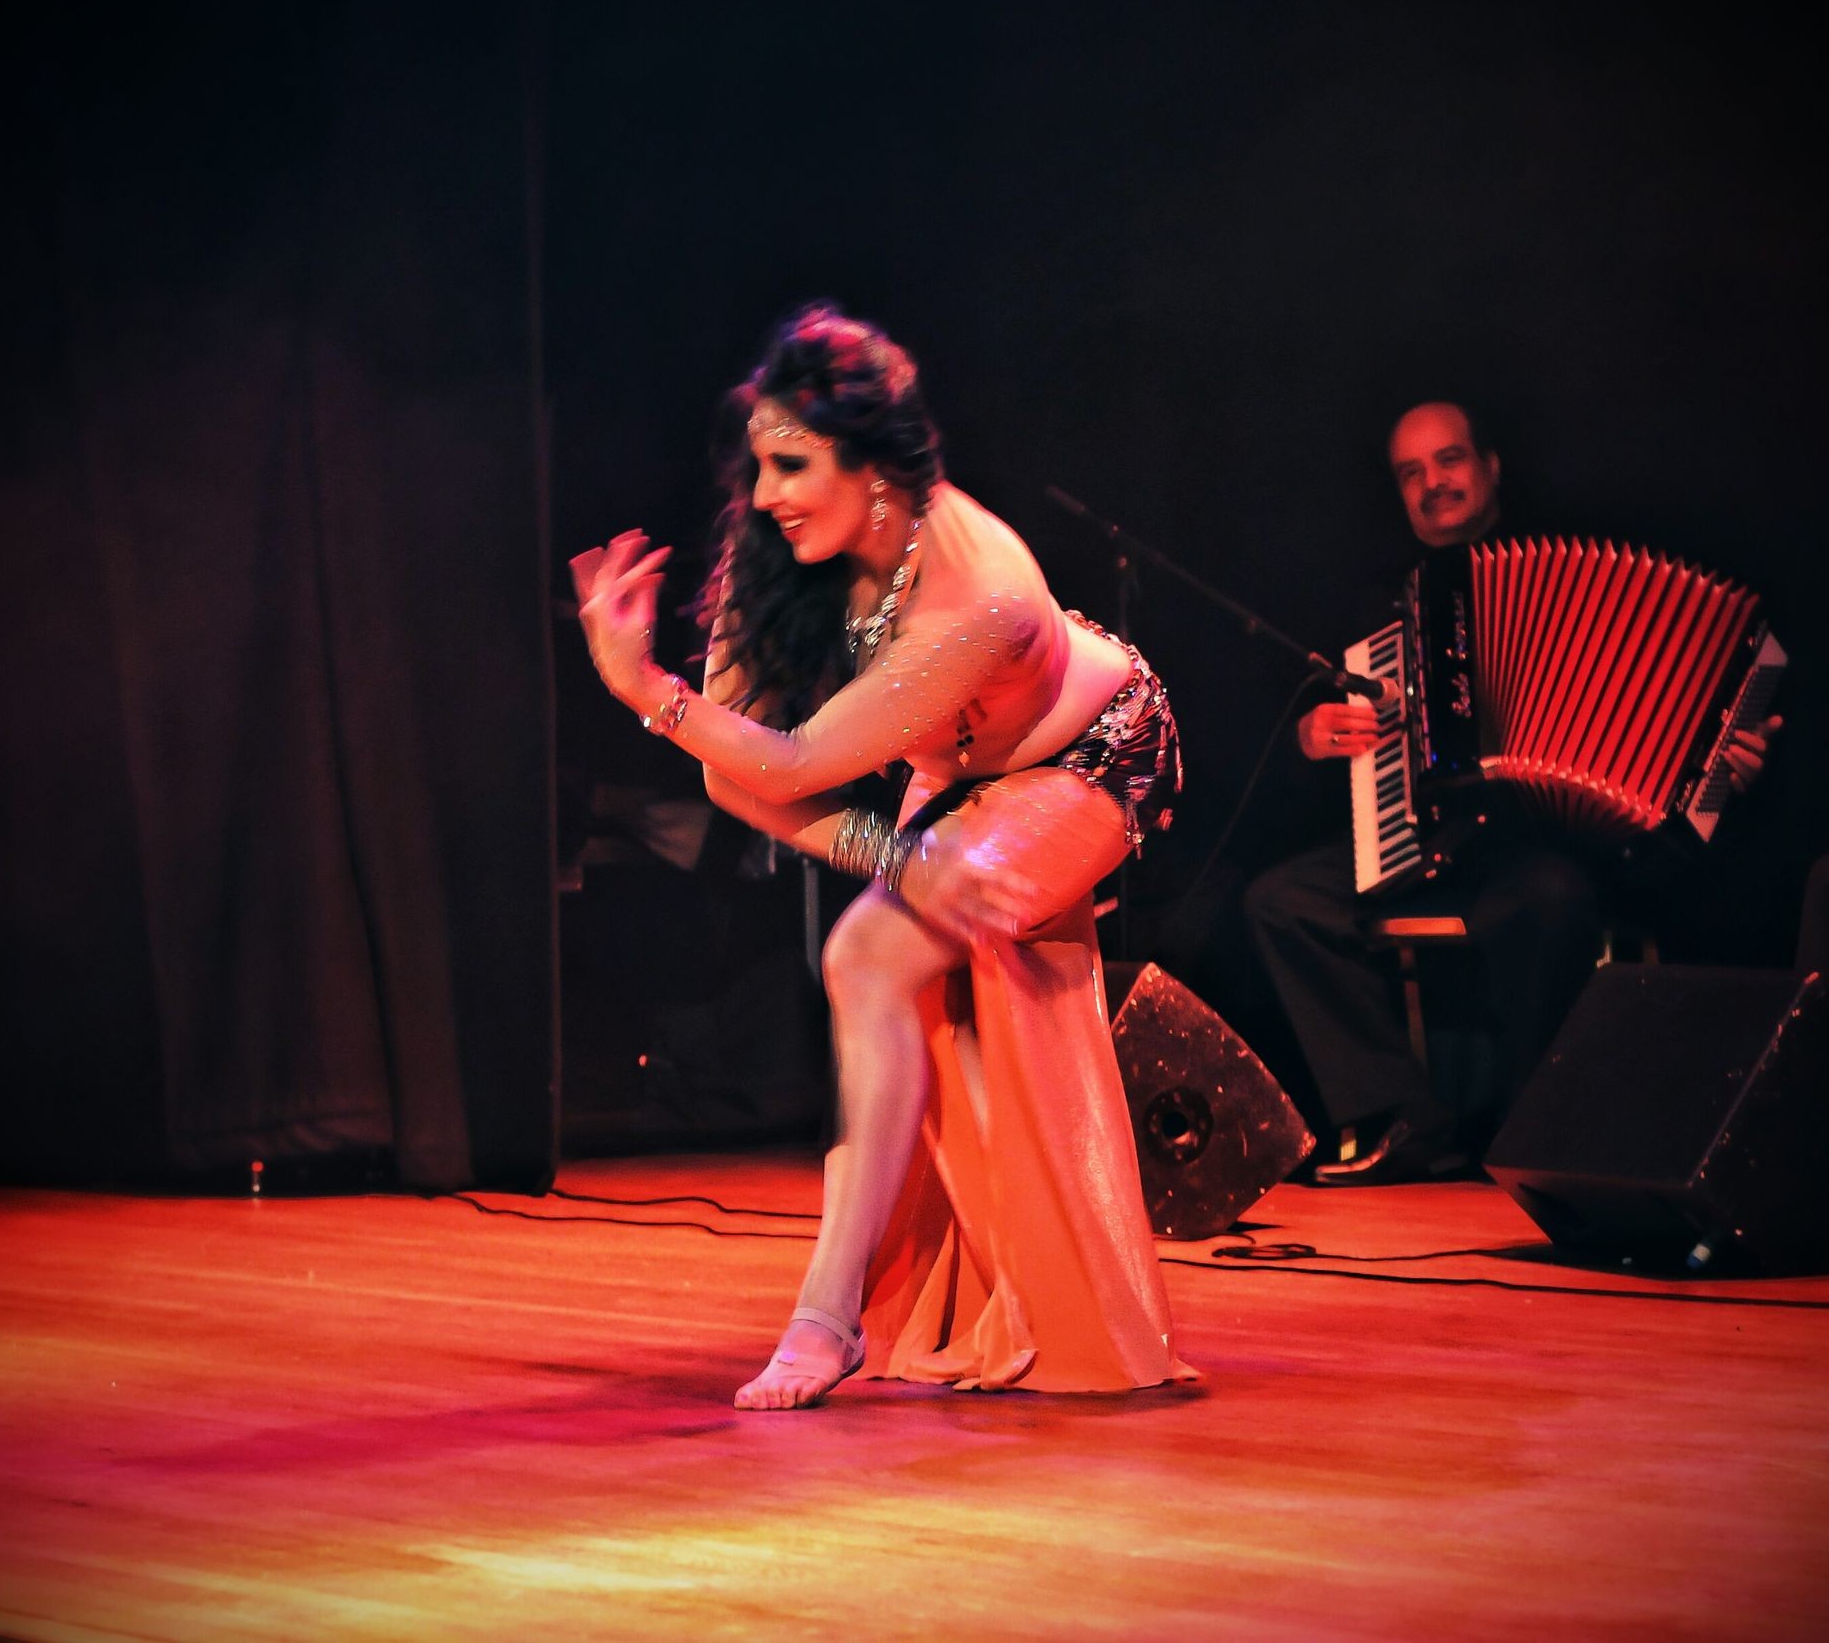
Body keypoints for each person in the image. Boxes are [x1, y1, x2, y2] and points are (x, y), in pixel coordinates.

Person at [571, 304, 1192, 1408]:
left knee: (865, 959)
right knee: (881, 956)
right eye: (762, 466)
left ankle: (827, 1316)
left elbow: (798, 757)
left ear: (878, 471)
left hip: (1091, 762)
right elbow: (734, 775)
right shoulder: (784, 550)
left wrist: (643, 692)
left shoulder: (981, 594)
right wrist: (905, 864)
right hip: (954, 779)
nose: (764, 494)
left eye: (793, 465)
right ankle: (845, 1312)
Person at [1245, 401, 1780, 1185]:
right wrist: (1308, 740)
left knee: (1552, 895)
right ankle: (1405, 1117)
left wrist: (1730, 766)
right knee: (1280, 901)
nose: (1433, 483)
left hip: (1536, 846)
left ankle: (1543, 1129)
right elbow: (1313, 789)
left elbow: (1684, 708)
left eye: (1449, 460)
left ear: (1491, 467)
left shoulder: (1591, 581)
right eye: (1411, 473)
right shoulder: (1377, 609)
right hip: (1421, 835)